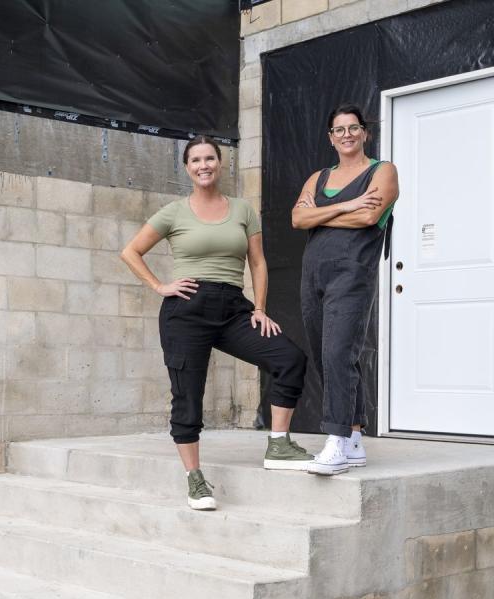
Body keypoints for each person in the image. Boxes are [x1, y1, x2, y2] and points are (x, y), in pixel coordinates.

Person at [120, 135, 311, 510]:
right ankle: (195, 480)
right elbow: (131, 251)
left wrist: (259, 308)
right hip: (186, 310)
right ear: (188, 168)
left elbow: (257, 262)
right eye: (196, 160)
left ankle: (278, 443)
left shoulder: (242, 210)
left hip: (233, 309)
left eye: (210, 158)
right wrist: (160, 285)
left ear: (220, 165)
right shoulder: (174, 212)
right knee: (188, 395)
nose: (204, 165)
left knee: (289, 358)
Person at [291, 104, 399, 476]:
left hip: (352, 274)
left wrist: (324, 212)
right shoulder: (318, 177)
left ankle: (335, 439)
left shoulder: (382, 171)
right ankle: (353, 437)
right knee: (328, 356)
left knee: (339, 352)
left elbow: (370, 216)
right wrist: (350, 203)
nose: (347, 134)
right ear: (330, 137)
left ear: (365, 133)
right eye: (339, 130)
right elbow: (297, 218)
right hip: (314, 274)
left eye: (354, 128)